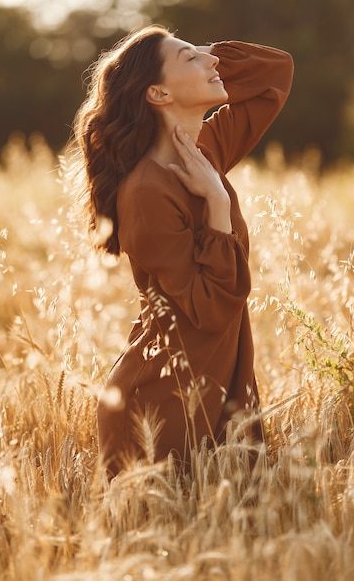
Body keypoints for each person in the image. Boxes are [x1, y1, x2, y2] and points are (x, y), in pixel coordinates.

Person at [72, 24, 293, 477]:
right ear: (157, 93)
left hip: (219, 391)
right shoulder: (146, 191)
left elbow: (276, 71)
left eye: (205, 54)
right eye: (191, 59)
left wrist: (198, 54)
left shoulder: (203, 151)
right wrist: (216, 203)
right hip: (162, 406)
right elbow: (209, 309)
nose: (212, 61)